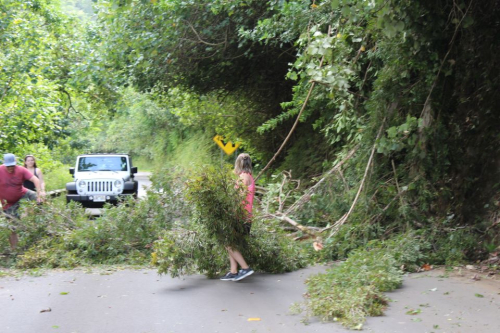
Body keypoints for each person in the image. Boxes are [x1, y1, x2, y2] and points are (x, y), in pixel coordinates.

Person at [220, 153, 256, 282]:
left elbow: (240, 199)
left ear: (238, 164)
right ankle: (233, 271)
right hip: (247, 217)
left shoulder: (242, 178)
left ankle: (245, 268)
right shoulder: (250, 177)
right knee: (231, 243)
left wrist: (229, 211)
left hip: (240, 217)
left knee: (228, 243)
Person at [0, 153, 45, 250]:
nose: (10, 168)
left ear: (15, 163)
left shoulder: (20, 170)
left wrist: (39, 194)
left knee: (40, 198)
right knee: (12, 227)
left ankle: (43, 222)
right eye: (8, 166)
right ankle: (15, 250)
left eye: (12, 166)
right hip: (8, 203)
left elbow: (36, 180)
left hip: (22, 194)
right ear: (4, 164)